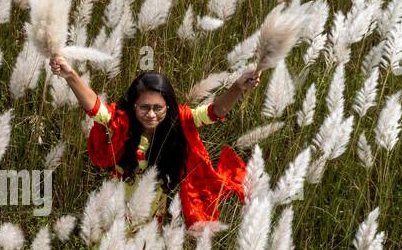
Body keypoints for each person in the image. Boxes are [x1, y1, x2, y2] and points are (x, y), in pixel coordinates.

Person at [49, 56, 263, 231]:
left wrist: (237, 87)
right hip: (114, 208)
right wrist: (70, 75)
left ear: (168, 107)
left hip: (151, 213)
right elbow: (95, 108)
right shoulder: (121, 122)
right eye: (144, 107)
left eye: (158, 108)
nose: (151, 114)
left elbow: (216, 111)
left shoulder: (179, 120)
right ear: (134, 106)